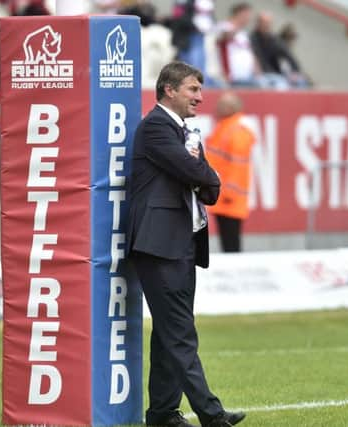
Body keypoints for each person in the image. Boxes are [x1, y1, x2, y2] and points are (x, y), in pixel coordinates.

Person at [127, 61, 245, 427]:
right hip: (159, 245)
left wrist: (201, 174)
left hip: (181, 244)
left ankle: (162, 414)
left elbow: (210, 190)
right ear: (169, 90)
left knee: (168, 334)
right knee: (179, 333)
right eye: (193, 89)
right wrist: (201, 173)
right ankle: (211, 415)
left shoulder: (186, 131)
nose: (200, 97)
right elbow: (198, 173)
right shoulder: (156, 127)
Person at [205, 92, 255, 252]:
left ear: (232, 108)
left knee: (231, 242)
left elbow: (237, 166)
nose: (217, 107)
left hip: (230, 198)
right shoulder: (224, 127)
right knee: (227, 241)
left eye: (222, 104)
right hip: (223, 196)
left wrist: (229, 193)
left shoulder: (236, 131)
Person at [215, 2, 261, 87]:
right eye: (246, 15)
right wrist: (237, 25)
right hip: (232, 78)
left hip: (248, 77)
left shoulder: (243, 33)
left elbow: (250, 53)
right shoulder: (223, 26)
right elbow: (223, 37)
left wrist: (257, 70)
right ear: (239, 13)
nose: (249, 18)